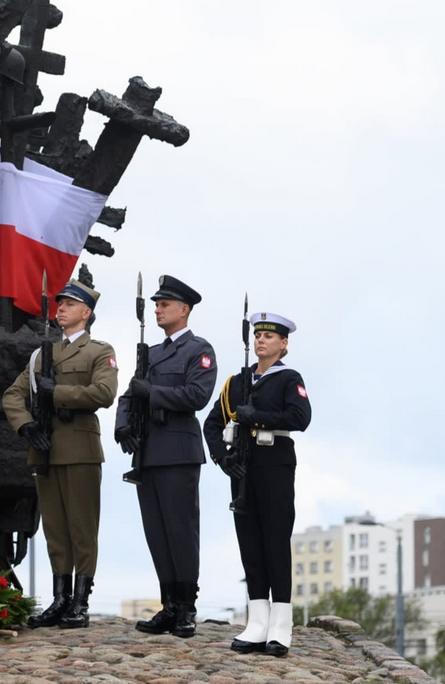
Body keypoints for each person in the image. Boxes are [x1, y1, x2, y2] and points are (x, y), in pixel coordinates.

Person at [2, 279, 118, 629]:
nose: (61, 308)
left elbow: (104, 392)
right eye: (60, 303)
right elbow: (12, 395)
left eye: (69, 304)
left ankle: (80, 601)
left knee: (82, 527)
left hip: (80, 448)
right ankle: (60, 598)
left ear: (86, 313)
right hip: (45, 449)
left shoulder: (98, 350)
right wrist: (26, 426)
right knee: (54, 529)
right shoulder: (41, 355)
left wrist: (58, 393)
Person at [204, 312, 312, 657]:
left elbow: (300, 418)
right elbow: (211, 424)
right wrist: (224, 458)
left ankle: (281, 625)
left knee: (275, 542)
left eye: (270, 336)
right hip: (243, 468)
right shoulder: (237, 382)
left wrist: (258, 416)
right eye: (258, 335)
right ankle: (257, 622)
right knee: (249, 543)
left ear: (283, 344)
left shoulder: (288, 379)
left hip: (275, 463)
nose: (261, 340)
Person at [114, 275, 216, 638]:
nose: (158, 310)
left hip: (178, 452)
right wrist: (122, 424)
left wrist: (152, 392)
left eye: (165, 304)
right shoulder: (152, 354)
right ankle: (168, 604)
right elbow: (128, 394)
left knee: (181, 531)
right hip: (149, 452)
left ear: (184, 309)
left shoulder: (198, 350)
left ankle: (186, 607)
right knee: (156, 532)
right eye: (156, 304)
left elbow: (197, 396)